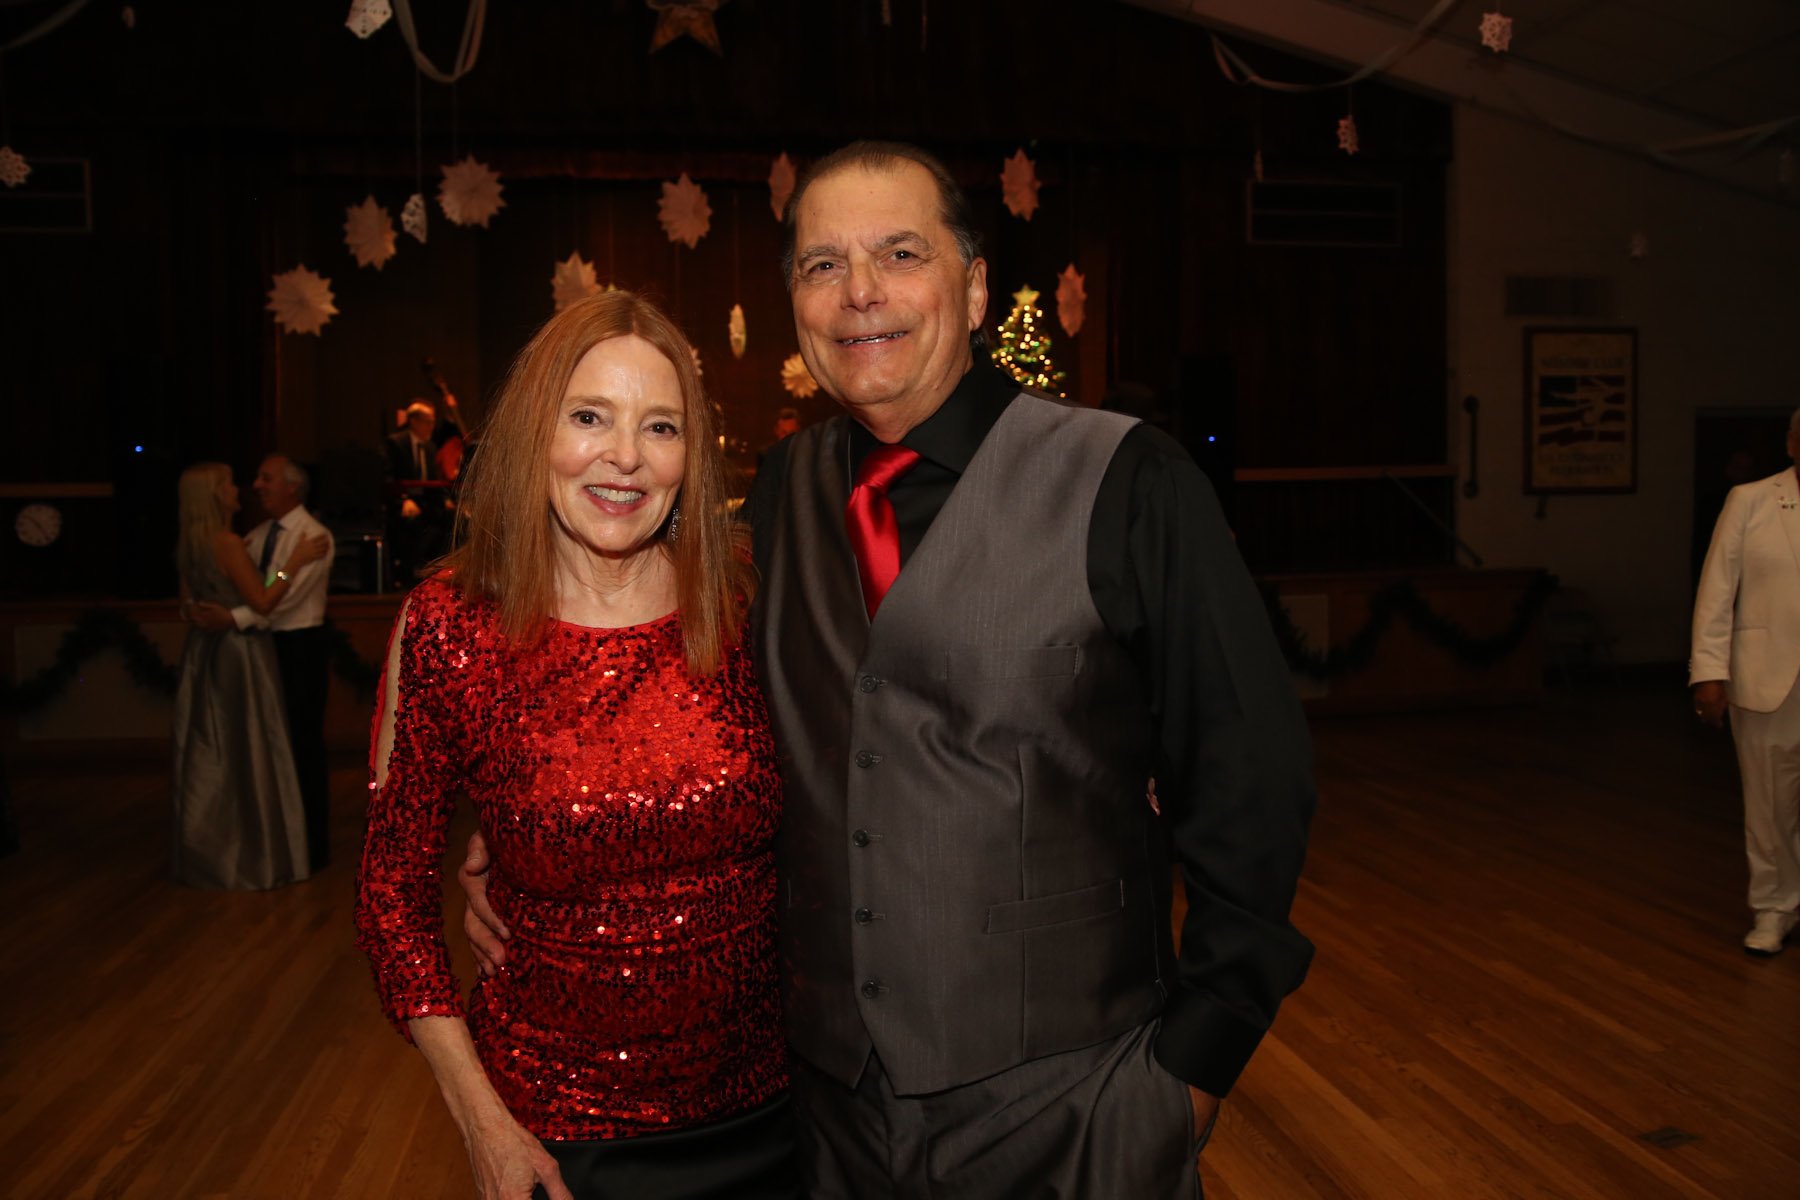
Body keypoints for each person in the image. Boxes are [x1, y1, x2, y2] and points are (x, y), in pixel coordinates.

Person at [465, 142, 1314, 1197]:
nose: (859, 291)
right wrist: (518, 822)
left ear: (974, 289)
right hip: (827, 1115)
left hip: (1075, 1101)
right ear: (796, 304)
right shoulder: (782, 492)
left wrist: (1195, 1067)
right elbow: (677, 687)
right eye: (822, 265)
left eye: (900, 254)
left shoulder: (1127, 480)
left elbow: (1252, 777)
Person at [355, 290, 795, 1200]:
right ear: (534, 432)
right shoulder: (450, 626)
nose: (625, 456)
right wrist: (483, 1124)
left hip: (772, 1112)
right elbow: (392, 897)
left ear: (690, 456)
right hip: (554, 1133)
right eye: (589, 416)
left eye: (660, 426)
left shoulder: (745, 601)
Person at [171, 462, 329, 889]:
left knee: (218, 748)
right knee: (251, 748)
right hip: (240, 654)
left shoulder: (193, 542)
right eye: (229, 484)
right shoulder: (229, 543)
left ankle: (218, 844)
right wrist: (292, 564)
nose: (241, 489)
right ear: (214, 495)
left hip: (205, 652)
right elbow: (263, 600)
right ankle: (256, 847)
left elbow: (185, 603)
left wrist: (204, 615)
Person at [1690, 405, 1800, 956]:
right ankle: (1774, 907)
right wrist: (1709, 672)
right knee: (1769, 804)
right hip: (1767, 678)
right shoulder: (1751, 500)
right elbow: (1717, 590)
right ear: (1792, 442)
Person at [385, 395, 462, 583]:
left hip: (427, 502)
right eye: (428, 422)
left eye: (432, 422)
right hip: (404, 503)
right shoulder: (395, 443)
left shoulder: (430, 447)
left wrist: (446, 500)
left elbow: (434, 480)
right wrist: (404, 500)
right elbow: (388, 477)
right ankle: (408, 573)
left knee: (453, 519)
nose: (431, 427)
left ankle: (437, 572)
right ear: (413, 421)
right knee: (412, 524)